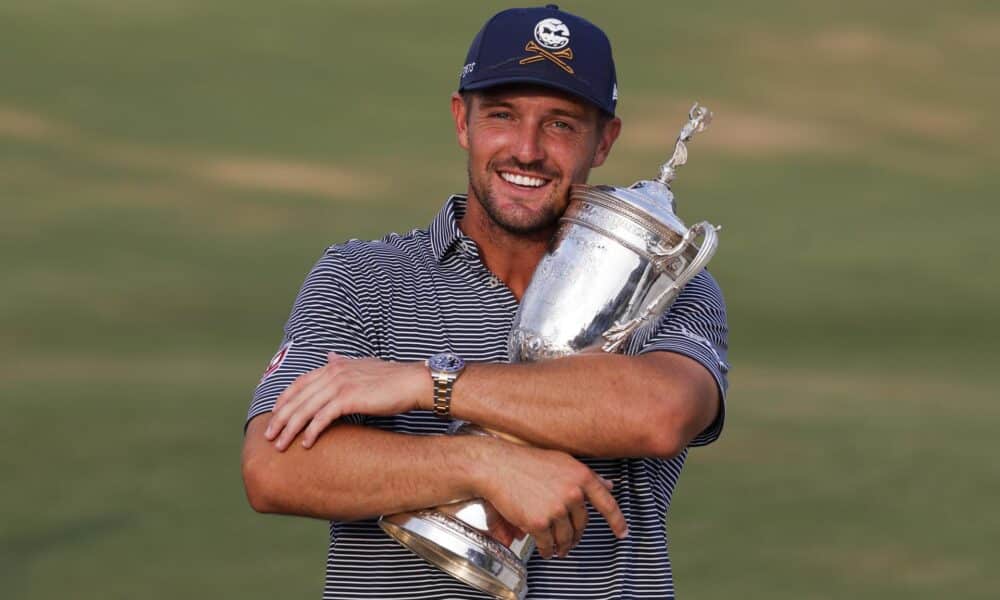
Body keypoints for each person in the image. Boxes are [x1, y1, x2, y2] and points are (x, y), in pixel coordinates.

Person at [242, 5, 729, 599]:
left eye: (561, 124)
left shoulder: (662, 283)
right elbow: (275, 469)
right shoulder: (361, 276)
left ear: (604, 140)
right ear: (462, 121)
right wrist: (483, 463)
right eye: (502, 115)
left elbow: (661, 415)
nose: (526, 149)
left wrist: (428, 385)